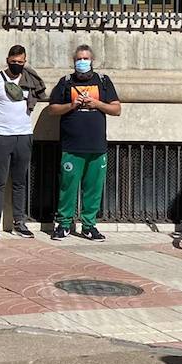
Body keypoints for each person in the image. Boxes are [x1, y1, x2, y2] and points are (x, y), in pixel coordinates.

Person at [46, 44, 121, 241]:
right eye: (79, 59)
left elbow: (116, 109)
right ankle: (63, 224)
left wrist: (97, 104)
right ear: (74, 62)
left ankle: (89, 226)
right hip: (72, 146)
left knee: (94, 189)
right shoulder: (66, 82)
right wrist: (72, 105)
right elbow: (52, 109)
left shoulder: (103, 81)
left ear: (92, 61)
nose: (82, 62)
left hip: (96, 147)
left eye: (86, 59)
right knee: (67, 187)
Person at [0, 45, 46, 239]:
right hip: (3, 136)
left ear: (25, 61)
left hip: (24, 135)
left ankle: (19, 222)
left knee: (19, 181)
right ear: (7, 59)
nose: (17, 65)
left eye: (20, 62)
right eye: (13, 61)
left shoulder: (29, 80)